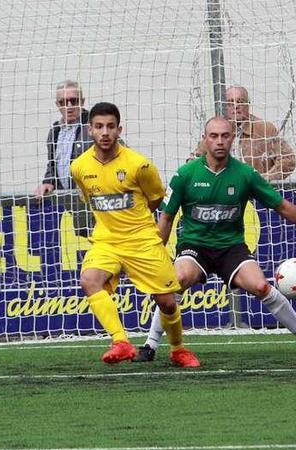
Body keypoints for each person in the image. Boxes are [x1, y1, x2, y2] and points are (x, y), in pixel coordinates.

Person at [134, 116, 296, 362]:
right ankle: (150, 345)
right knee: (177, 280)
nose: (219, 141)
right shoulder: (185, 175)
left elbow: (282, 206)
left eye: (225, 136)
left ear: (232, 138)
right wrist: (154, 257)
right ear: (205, 139)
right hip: (195, 247)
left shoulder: (245, 174)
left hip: (231, 248)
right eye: (213, 136)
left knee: (261, 286)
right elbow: (166, 218)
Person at [70, 102, 200, 367]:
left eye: (110, 126)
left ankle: (178, 350)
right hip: (106, 240)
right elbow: (91, 200)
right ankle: (120, 341)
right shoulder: (79, 167)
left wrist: (135, 222)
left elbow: (154, 200)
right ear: (90, 130)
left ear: (119, 129)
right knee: (89, 280)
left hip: (142, 239)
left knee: (166, 301)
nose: (104, 132)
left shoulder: (139, 165)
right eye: (98, 127)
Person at [193, 86, 296, 181]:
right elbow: (193, 161)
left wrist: (267, 177)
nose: (235, 106)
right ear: (225, 107)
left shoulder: (264, 129)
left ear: (248, 104)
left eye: (240, 102)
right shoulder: (216, 129)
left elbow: (288, 160)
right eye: (230, 102)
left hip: (255, 193)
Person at [37, 80, 94, 237]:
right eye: (63, 102)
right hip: (69, 204)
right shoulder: (55, 131)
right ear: (57, 104)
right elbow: (52, 164)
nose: (68, 105)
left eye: (73, 100)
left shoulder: (94, 126)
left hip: (95, 202)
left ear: (82, 102)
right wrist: (48, 182)